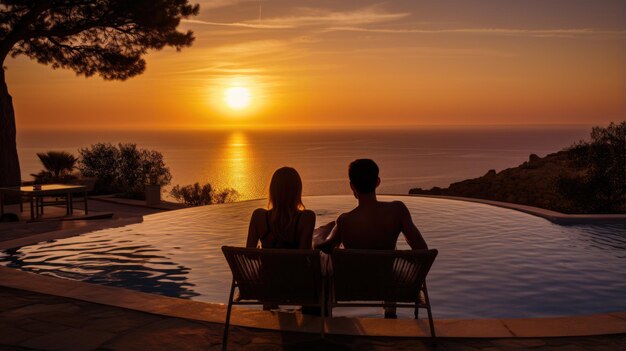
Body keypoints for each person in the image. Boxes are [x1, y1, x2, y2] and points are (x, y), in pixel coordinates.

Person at [313, 159, 428, 318]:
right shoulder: (397, 211)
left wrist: (318, 234)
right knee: (389, 263)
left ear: (352, 185)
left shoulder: (344, 221)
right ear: (378, 182)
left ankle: (325, 320)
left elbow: (325, 247)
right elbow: (421, 250)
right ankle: (390, 315)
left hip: (352, 285)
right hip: (388, 283)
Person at [247, 166, 316, 249]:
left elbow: (248, 254)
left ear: (272, 191)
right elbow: (306, 256)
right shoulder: (307, 218)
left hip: (268, 262)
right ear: (297, 191)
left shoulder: (258, 217)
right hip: (294, 262)